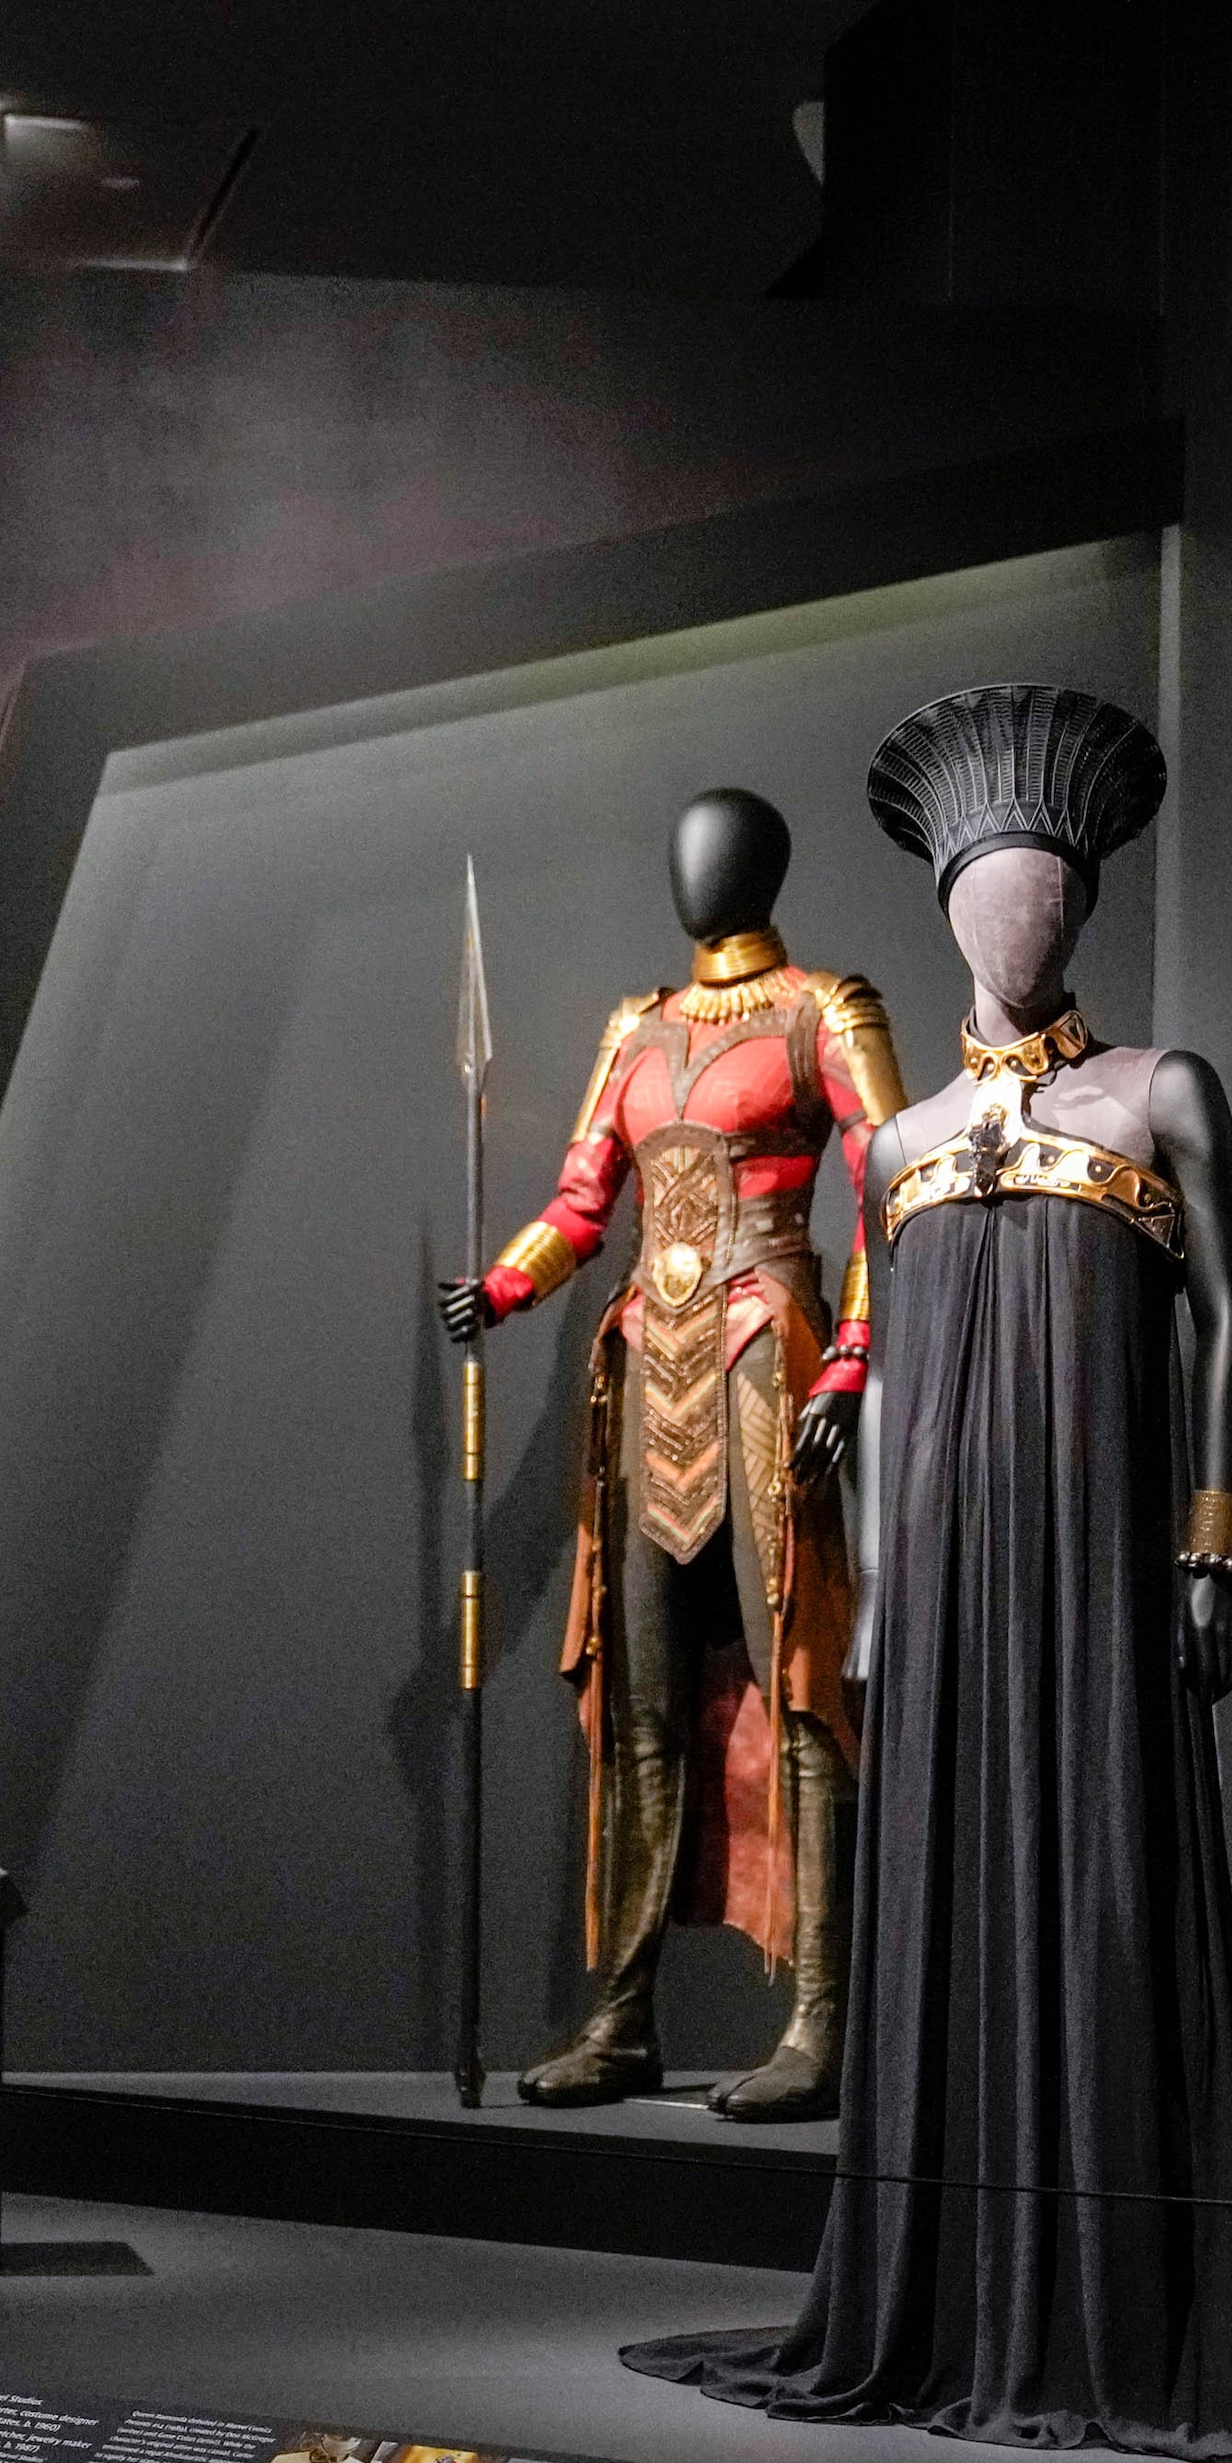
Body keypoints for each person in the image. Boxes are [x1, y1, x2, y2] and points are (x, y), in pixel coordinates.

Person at [630, 689, 1232, 2460]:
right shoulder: (899, 1146)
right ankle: (948, 2281)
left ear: (1081, 908)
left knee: (1110, 1878)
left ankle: (1121, 2297)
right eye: (985, 899)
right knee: (949, 1888)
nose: (1012, 929)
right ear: (951, 909)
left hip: (1111, 1572)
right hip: (948, 1593)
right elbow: (877, 1367)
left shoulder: (1162, 1090)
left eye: (1040, 897)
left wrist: (1216, 1547)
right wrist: (876, 1590)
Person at [437, 790, 899, 2117]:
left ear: (760, 866)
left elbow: (889, 1186)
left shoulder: (827, 1011)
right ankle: (624, 2016)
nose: (702, 874)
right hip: (647, 1365)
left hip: (774, 1348)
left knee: (800, 1683)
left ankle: (821, 2018)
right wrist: (506, 1285)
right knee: (639, 1702)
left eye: (723, 854)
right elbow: (584, 1199)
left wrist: (854, 1353)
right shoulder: (634, 1028)